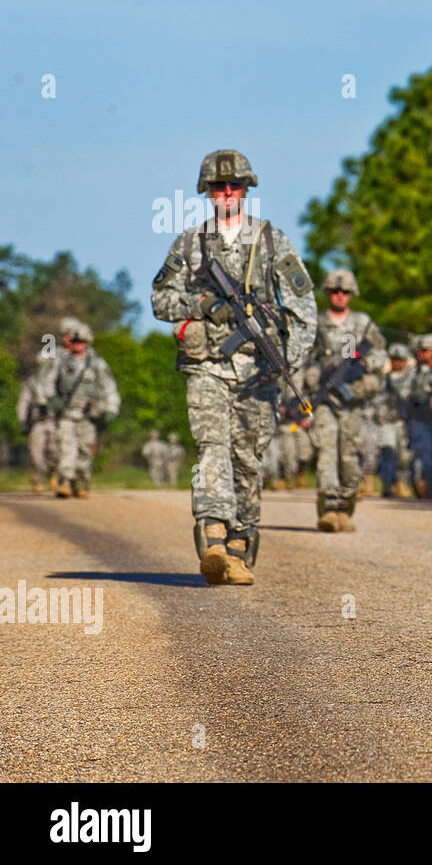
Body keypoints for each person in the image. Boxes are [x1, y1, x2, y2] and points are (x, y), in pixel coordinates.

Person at [151, 149, 317, 584]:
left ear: (247, 189)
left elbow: (304, 311)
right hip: (206, 365)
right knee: (212, 448)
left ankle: (240, 542)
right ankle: (213, 534)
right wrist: (202, 304)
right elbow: (160, 299)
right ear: (206, 191)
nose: (227, 192)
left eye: (235, 185)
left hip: (258, 372)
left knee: (248, 458)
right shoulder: (189, 244)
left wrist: (285, 361)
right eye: (219, 186)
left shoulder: (270, 241)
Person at [305, 269, 388, 532]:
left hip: (354, 401)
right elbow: (305, 358)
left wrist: (364, 363)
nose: (340, 296)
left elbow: (379, 355)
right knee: (327, 452)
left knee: (350, 457)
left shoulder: (363, 324)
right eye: (335, 292)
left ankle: (346, 506)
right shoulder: (317, 324)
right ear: (328, 293)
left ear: (351, 295)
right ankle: (328, 507)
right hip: (326, 399)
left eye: (345, 292)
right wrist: (309, 381)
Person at [36, 320, 119, 498]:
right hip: (65, 413)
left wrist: (111, 408)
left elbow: (109, 387)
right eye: (74, 341)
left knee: (85, 449)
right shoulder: (59, 361)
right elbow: (47, 382)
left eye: (81, 341)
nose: (77, 344)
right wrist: (51, 400)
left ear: (87, 342)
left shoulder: (97, 363)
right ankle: (64, 480)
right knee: (66, 447)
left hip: (88, 415)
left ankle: (81, 481)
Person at [377, 342, 417, 498]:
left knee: (404, 456)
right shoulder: (383, 378)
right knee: (388, 452)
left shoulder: (410, 377)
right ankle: (388, 484)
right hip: (387, 421)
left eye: (400, 360)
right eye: (394, 359)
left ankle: (403, 484)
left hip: (404, 421)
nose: (397, 363)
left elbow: (408, 396)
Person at [408, 334, 432, 498]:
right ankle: (426, 488)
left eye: (425, 350)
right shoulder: (416, 371)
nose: (420, 354)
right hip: (421, 418)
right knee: (423, 454)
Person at [17, 371, 58, 492]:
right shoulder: (32, 382)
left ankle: (54, 474)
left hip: (54, 421)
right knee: (36, 452)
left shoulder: (60, 379)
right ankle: (37, 478)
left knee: (55, 450)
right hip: (37, 421)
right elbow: (23, 402)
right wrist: (23, 420)